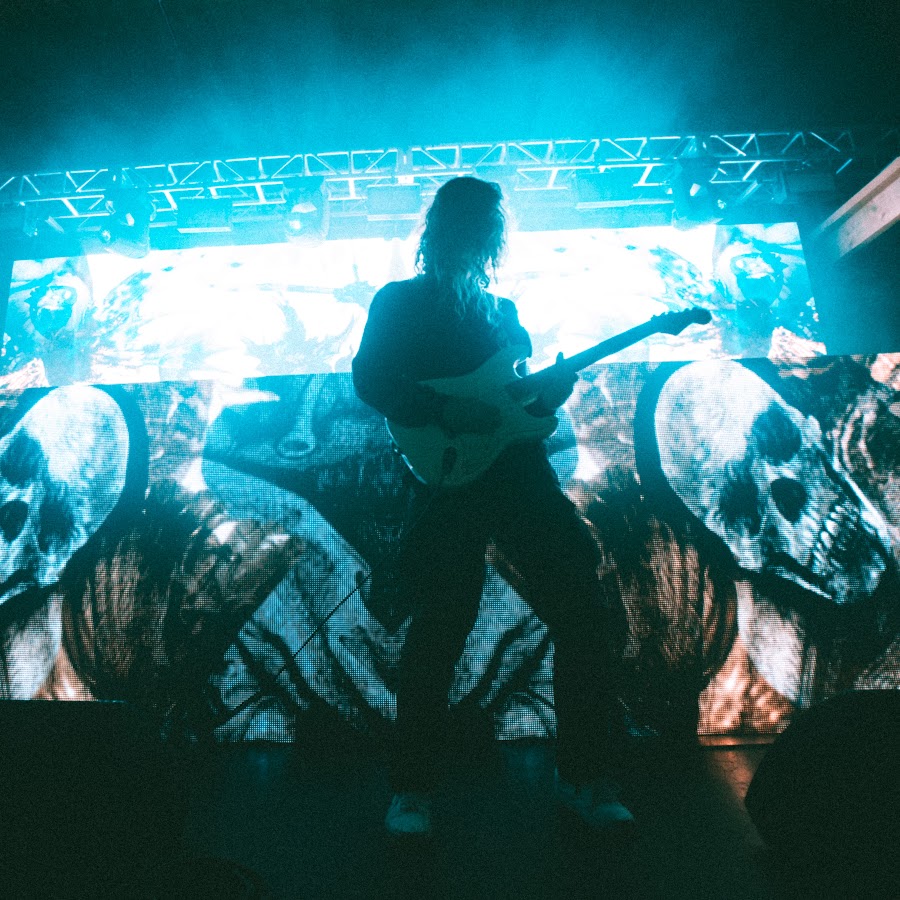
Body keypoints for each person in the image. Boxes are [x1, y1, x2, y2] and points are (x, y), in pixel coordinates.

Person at [352, 176, 633, 836]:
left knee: (582, 608)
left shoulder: (503, 313)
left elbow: (523, 403)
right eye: (475, 223)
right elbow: (370, 378)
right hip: (448, 480)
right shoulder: (398, 301)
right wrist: (445, 409)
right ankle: (412, 789)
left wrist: (551, 393)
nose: (482, 234)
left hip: (519, 475)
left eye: (487, 225)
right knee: (440, 627)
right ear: (441, 230)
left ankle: (585, 777)